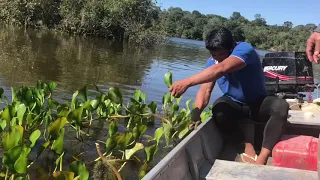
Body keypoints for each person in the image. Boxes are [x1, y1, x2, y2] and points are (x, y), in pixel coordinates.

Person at [168, 27, 289, 165]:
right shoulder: (212, 63)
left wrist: (186, 82)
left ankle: (263, 156)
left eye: (222, 54)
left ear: (232, 47)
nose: (218, 59)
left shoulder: (244, 49)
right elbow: (205, 90)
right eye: (214, 55)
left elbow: (221, 69)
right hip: (235, 105)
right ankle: (246, 144)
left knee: (280, 107)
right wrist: (196, 113)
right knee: (218, 108)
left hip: (257, 104)